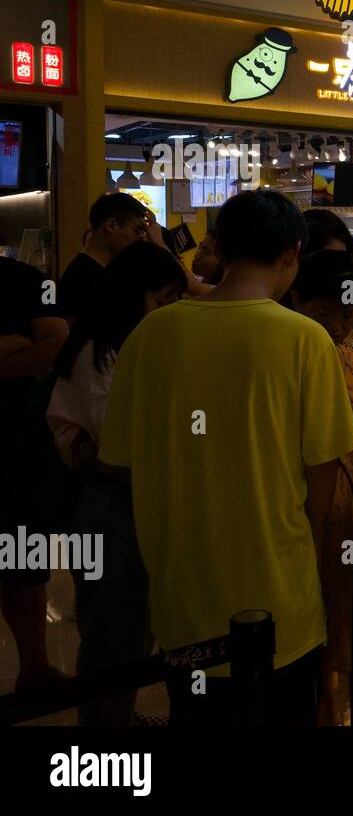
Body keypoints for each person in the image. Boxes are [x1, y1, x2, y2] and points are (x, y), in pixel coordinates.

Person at [99, 190, 353, 726]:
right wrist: (300, 557)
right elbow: (323, 476)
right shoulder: (307, 341)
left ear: (219, 246)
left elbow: (122, 459)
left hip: (181, 598)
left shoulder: (150, 334)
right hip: (278, 598)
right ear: (293, 253)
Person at [45, 242, 186, 725]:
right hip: (113, 505)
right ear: (133, 295)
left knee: (135, 626)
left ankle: (116, 716)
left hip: (129, 501)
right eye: (161, 298)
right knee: (113, 631)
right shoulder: (101, 352)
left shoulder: (126, 343)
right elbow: (116, 439)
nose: (168, 310)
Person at [288, 249, 353, 726]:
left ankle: (332, 708)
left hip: (342, 494)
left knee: (337, 611)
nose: (337, 325)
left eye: (346, 314)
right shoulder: (295, 347)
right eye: (324, 314)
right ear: (296, 297)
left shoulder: (340, 348)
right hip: (307, 495)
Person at [0, 255, 69, 691]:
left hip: (16, 445)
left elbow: (56, 343)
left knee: (24, 562)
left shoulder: (27, 279)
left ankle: (36, 669)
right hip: (18, 442)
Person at [59, 193, 151, 319]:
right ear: (111, 226)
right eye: (138, 230)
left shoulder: (109, 272)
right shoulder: (81, 277)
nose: (142, 238)